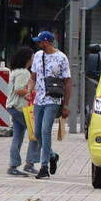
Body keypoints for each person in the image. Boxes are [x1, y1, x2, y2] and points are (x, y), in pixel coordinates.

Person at [28, 31, 71, 179]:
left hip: (53, 100)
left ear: (46, 42)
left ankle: (44, 166)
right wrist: (29, 89)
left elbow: (67, 82)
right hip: (38, 100)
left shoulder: (61, 58)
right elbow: (33, 77)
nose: (37, 43)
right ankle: (52, 155)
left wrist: (65, 105)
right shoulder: (38, 56)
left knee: (46, 130)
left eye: (39, 41)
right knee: (37, 132)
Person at [6, 47, 38, 176]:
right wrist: (31, 92)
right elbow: (19, 89)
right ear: (27, 59)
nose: (33, 60)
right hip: (19, 108)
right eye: (32, 57)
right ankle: (30, 163)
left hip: (14, 107)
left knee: (18, 137)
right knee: (35, 133)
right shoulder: (23, 73)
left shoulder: (16, 71)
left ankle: (13, 166)